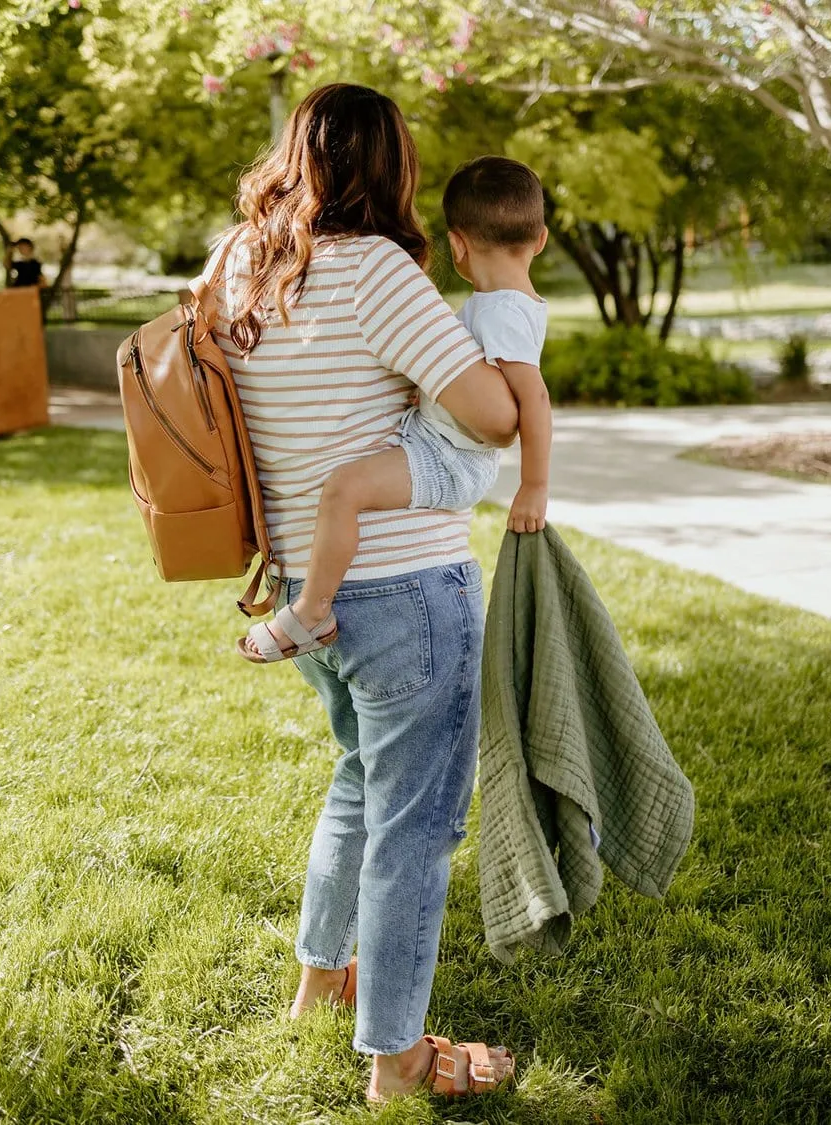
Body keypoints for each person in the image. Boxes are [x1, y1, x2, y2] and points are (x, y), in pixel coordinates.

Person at [200, 83, 518, 1103]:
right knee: (416, 828)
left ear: (294, 154)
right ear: (392, 166)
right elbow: (492, 416)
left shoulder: (236, 265)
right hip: (407, 587)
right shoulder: (376, 269)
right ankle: (396, 1063)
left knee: (359, 786)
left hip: (312, 588)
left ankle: (315, 993)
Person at [240, 155, 551, 664]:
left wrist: (534, 486)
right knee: (345, 489)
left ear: (456, 244)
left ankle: (312, 611)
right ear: (539, 240)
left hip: (449, 458)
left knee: (345, 489)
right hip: (441, 444)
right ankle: (311, 606)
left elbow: (530, 400)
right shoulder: (509, 305)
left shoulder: (500, 311)